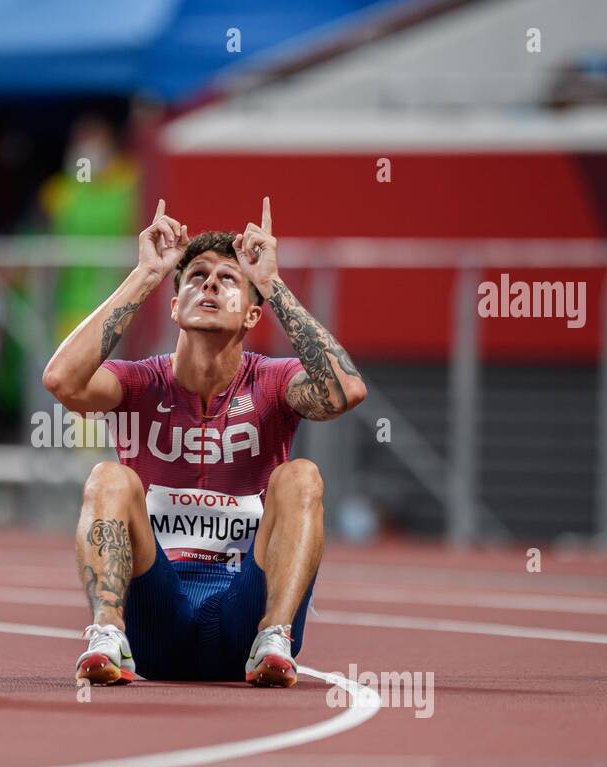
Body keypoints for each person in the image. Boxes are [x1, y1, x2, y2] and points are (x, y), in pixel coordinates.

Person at [42, 197, 366, 687]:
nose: (210, 283)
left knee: (302, 475)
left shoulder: (273, 382)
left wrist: (272, 285)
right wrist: (146, 275)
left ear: (253, 315)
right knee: (109, 476)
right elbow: (62, 381)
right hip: (157, 617)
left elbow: (346, 391)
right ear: (175, 308)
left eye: (228, 279)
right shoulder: (138, 382)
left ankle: (275, 639)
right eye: (196, 277)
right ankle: (107, 636)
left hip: (246, 615)